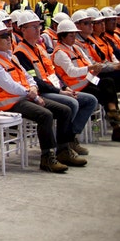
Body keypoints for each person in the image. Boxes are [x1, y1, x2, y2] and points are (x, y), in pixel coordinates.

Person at [0, 20, 73, 173]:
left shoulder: (11, 56)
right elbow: (9, 85)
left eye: (8, 34)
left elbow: (27, 76)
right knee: (45, 115)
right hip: (9, 103)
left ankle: (63, 150)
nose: (9, 38)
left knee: (64, 110)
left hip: (26, 96)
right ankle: (47, 157)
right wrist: (32, 94)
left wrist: (33, 87)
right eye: (3, 36)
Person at [12, 11, 91, 165]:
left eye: (38, 26)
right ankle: (63, 147)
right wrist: (59, 91)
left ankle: (69, 139)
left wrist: (65, 87)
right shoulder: (21, 52)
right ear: (22, 29)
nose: (38, 29)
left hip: (55, 88)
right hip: (42, 92)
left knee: (89, 99)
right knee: (70, 104)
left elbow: (53, 72)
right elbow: (34, 80)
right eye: (33, 27)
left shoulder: (39, 48)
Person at [51, 20, 120, 143]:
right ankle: (115, 124)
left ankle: (113, 112)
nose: (74, 37)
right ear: (62, 36)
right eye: (70, 35)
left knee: (108, 82)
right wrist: (90, 69)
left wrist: (96, 68)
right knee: (101, 93)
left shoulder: (76, 48)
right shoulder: (60, 53)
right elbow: (71, 71)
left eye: (75, 34)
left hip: (88, 80)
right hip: (75, 87)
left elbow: (90, 63)